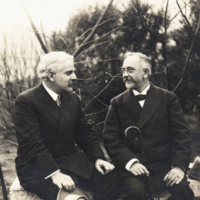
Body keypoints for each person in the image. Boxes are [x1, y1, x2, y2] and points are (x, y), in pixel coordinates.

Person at [14, 51, 118, 200]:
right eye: (69, 73)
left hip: (70, 161)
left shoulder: (73, 99)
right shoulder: (26, 101)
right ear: (51, 76)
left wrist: (97, 158)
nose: (74, 77)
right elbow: (31, 143)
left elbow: (84, 133)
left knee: (110, 178)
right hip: (37, 167)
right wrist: (54, 173)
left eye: (74, 72)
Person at [103, 52, 194, 200]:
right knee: (135, 192)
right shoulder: (117, 103)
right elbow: (110, 140)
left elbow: (181, 135)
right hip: (132, 169)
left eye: (130, 70)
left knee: (183, 190)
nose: (124, 75)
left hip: (163, 166)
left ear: (146, 72)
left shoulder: (167, 98)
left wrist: (178, 166)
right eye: (123, 70)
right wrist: (131, 163)